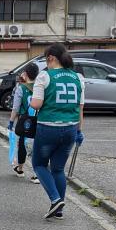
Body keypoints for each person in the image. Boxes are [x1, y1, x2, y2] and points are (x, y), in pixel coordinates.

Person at [29, 44, 85, 220]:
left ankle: (55, 199)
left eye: (47, 60)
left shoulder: (45, 76)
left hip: (48, 128)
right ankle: (59, 209)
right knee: (58, 169)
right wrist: (79, 131)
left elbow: (36, 104)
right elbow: (80, 107)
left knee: (38, 164)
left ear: (51, 58)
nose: (47, 64)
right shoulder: (78, 77)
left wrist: (31, 96)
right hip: (70, 128)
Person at [8, 62, 41, 184]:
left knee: (21, 144)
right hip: (39, 120)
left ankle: (20, 169)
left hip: (25, 121)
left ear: (25, 74)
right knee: (37, 146)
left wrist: (11, 122)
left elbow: (15, 108)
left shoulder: (21, 88)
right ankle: (37, 174)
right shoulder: (41, 87)